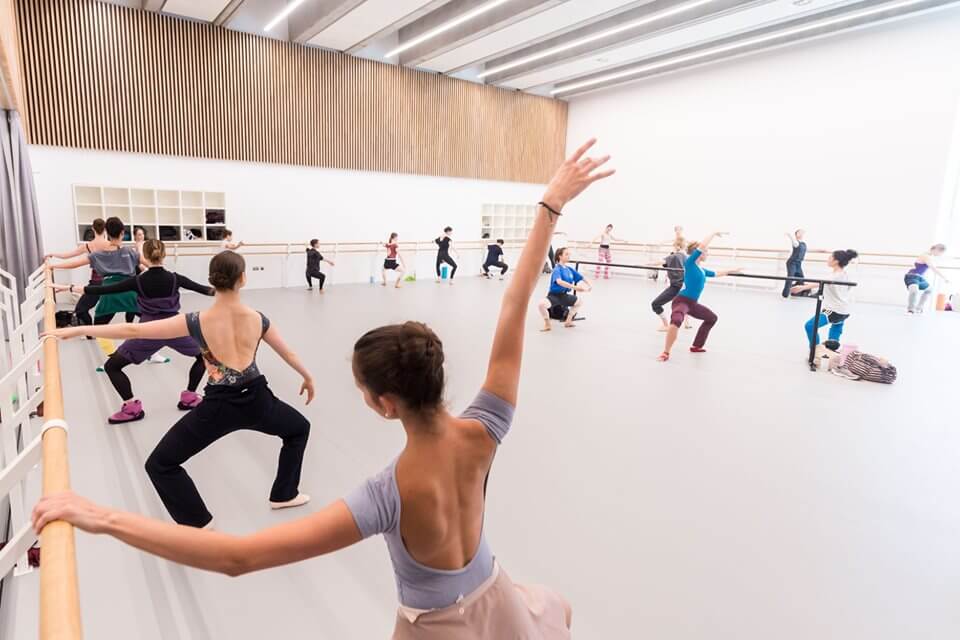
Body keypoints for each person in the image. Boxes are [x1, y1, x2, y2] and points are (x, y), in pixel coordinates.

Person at [33, 139, 614, 639]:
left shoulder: (387, 493)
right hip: (498, 597)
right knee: (552, 604)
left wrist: (98, 515)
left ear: (384, 405)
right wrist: (549, 205)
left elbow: (239, 558)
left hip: (436, 628)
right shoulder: (485, 428)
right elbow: (514, 307)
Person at [42, 250, 314, 526]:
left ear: (212, 279)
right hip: (258, 400)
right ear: (243, 279)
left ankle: (197, 524)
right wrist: (307, 377)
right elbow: (288, 353)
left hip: (218, 408)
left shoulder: (195, 321)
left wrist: (76, 331)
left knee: (160, 464)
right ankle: (283, 494)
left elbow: (134, 331)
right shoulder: (259, 318)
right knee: (298, 429)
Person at [50, 240, 214, 423]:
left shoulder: (138, 280)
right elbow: (206, 290)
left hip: (147, 332)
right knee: (204, 356)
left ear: (144, 256)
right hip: (176, 328)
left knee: (112, 366)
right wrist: (228, 287)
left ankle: (132, 408)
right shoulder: (176, 278)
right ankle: (189, 397)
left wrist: (69, 288)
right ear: (164, 255)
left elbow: (103, 289)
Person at [657, 232, 741, 362]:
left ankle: (696, 346)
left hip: (693, 304)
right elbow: (702, 245)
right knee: (677, 320)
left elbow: (716, 273)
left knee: (712, 318)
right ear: (699, 253)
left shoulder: (701, 269)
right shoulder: (690, 263)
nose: (707, 254)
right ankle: (665, 352)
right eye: (706, 252)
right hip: (682, 301)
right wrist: (713, 233)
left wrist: (732, 271)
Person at [48, 217, 140, 327]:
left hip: (104, 289)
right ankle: (133, 334)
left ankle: (93, 335)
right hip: (124, 290)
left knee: (94, 322)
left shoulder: (94, 250)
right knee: (144, 314)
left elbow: (72, 261)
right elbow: (148, 264)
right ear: (122, 232)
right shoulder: (125, 250)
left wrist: (53, 264)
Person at [45, 218, 110, 330]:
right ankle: (94, 333)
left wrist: (53, 254)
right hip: (110, 283)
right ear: (105, 229)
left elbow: (68, 255)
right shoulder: (111, 245)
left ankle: (91, 333)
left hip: (96, 284)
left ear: (93, 228)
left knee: (81, 310)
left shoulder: (88, 246)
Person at [791, 250, 858, 350]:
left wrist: (802, 287)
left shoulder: (834, 276)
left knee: (810, 326)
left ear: (836, 261)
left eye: (830, 257)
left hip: (834, 310)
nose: (828, 259)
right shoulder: (845, 274)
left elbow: (821, 283)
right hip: (845, 310)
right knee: (836, 326)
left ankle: (816, 350)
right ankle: (831, 348)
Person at [538, 247, 592, 330]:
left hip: (563, 296)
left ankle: (568, 321)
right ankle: (547, 323)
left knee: (579, 302)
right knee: (541, 305)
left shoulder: (569, 269)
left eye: (569, 254)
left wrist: (589, 284)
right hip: (553, 296)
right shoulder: (557, 269)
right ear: (560, 256)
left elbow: (580, 277)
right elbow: (559, 282)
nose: (568, 256)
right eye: (566, 254)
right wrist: (575, 287)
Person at [651, 238, 691, 331]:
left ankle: (666, 325)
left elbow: (660, 262)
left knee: (655, 304)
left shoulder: (674, 256)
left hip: (676, 287)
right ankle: (685, 323)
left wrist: (645, 264)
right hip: (685, 288)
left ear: (677, 246)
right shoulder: (688, 258)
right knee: (684, 305)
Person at [904, 244, 950, 314]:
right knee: (914, 291)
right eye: (940, 253)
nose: (939, 255)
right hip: (911, 276)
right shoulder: (926, 256)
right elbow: (933, 268)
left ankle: (919, 307)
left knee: (929, 290)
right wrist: (944, 277)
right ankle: (910, 309)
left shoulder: (929, 256)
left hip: (919, 278)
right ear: (936, 250)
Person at [782, 229, 808, 298]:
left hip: (798, 264)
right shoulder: (796, 243)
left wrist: (820, 250)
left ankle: (798, 292)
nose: (801, 234)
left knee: (801, 279)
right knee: (790, 278)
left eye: (802, 233)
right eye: (799, 233)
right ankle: (785, 294)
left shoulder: (804, 244)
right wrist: (788, 234)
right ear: (796, 235)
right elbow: (792, 240)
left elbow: (807, 250)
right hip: (792, 263)